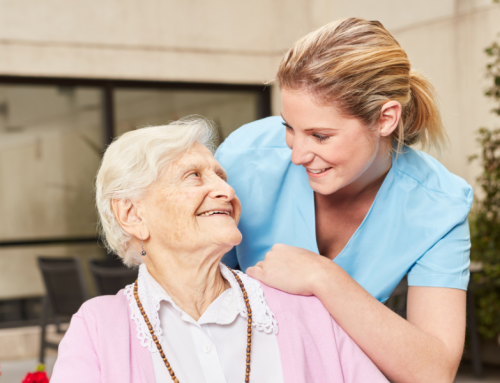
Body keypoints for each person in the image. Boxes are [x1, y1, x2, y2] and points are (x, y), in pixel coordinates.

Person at [215, 18, 472, 383]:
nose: (297, 154)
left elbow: (432, 371)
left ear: (385, 118)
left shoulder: (440, 206)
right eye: (289, 127)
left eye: (320, 136)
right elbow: (192, 287)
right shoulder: (245, 156)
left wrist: (324, 277)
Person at [50, 118, 388, 383]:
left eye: (221, 175)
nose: (225, 189)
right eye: (194, 176)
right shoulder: (98, 327)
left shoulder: (305, 310)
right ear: (132, 215)